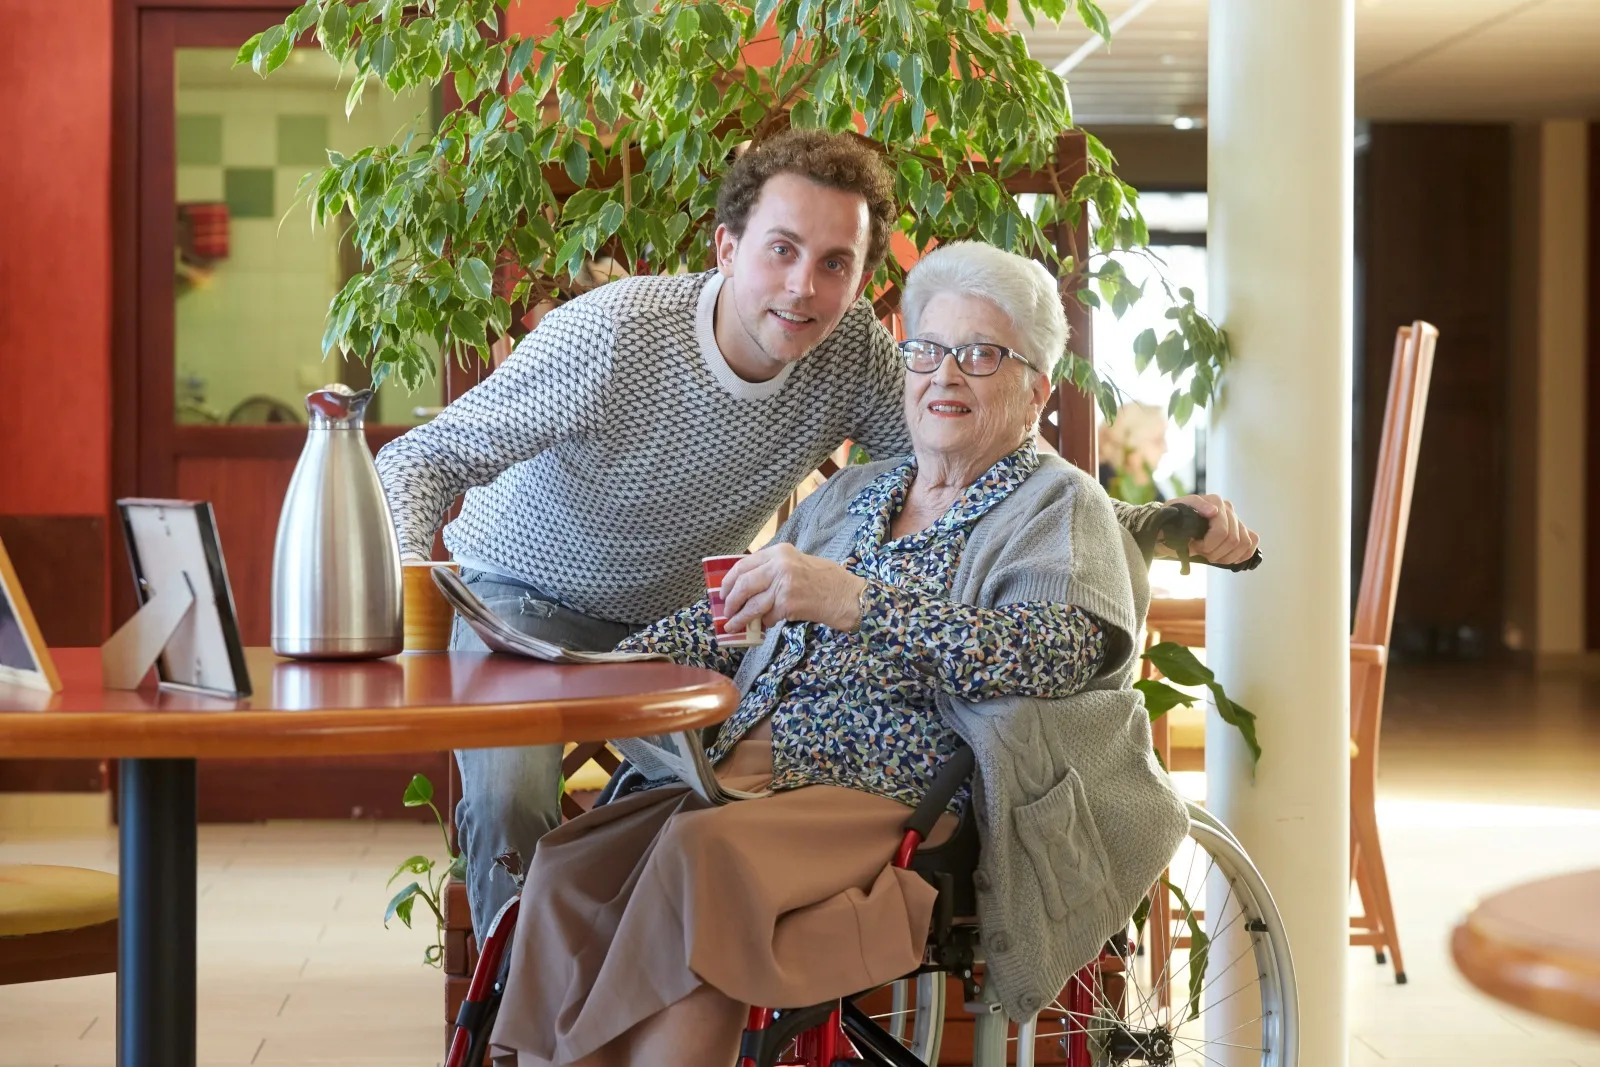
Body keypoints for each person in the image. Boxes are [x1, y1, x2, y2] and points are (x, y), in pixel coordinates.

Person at [374, 129, 1254, 939]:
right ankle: (524, 1017)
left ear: (861, 279)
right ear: (728, 248)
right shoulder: (613, 338)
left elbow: (980, 461)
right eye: (782, 251)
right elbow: (421, 459)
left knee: (668, 820)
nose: (804, 287)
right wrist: (407, 598)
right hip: (526, 605)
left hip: (687, 622)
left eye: (835, 264)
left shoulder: (854, 355)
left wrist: (1158, 524)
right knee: (511, 805)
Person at [486, 241, 1190, 1067]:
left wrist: (854, 601)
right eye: (927, 350)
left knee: (696, 859)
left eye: (982, 355)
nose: (945, 375)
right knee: (576, 863)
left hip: (894, 789)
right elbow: (732, 613)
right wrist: (586, 667)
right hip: (749, 771)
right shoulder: (858, 492)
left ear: (1036, 388)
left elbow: (1053, 651)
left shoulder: (1056, 502)